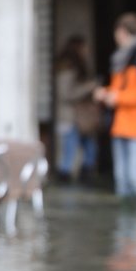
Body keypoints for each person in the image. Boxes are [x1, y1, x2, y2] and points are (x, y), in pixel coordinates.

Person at [93, 12, 136, 201]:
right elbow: (120, 90)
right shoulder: (122, 59)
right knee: (122, 181)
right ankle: (127, 227)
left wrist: (118, 97)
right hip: (122, 126)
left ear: (123, 32)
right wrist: (106, 93)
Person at [54, 35, 100, 183]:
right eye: (84, 47)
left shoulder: (78, 66)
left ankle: (85, 173)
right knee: (70, 150)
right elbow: (66, 93)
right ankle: (65, 177)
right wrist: (89, 87)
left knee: (88, 147)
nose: (87, 51)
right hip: (71, 116)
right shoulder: (67, 67)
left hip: (81, 117)